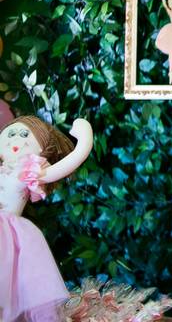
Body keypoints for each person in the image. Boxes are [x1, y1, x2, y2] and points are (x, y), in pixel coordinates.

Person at [0, 115, 93, 322]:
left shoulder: (28, 172)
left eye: (24, 134)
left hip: (6, 234)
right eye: (10, 134)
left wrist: (84, 142)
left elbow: (64, 166)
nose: (16, 139)